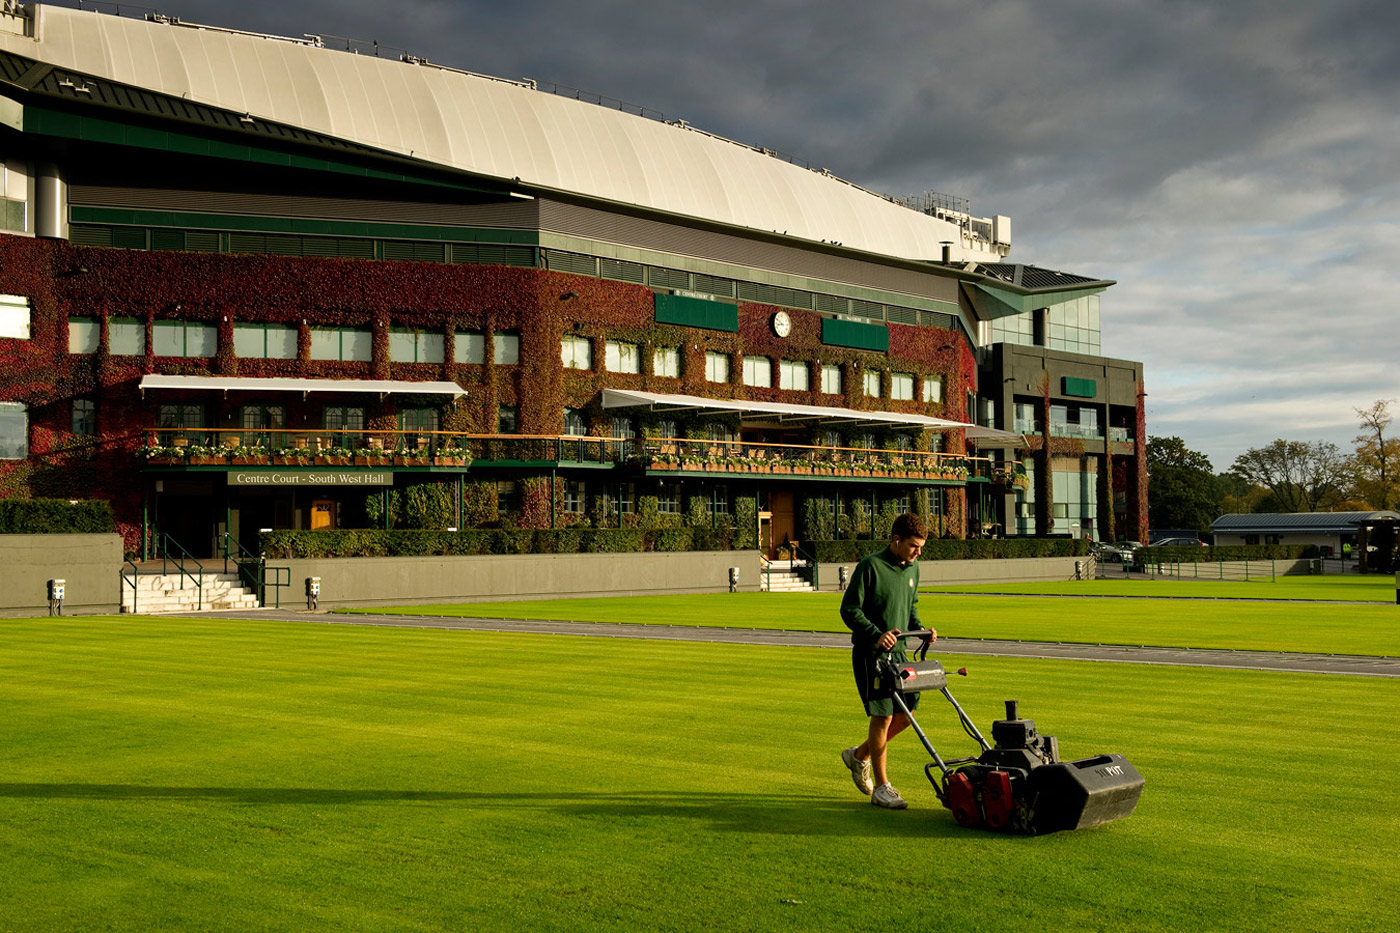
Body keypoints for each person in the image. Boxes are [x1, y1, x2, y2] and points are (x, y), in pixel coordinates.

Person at [839, 512, 934, 809]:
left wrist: (922, 630)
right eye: (913, 546)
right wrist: (876, 634)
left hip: (901, 653)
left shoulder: (913, 569)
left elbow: (910, 606)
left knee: (907, 715)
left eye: (920, 547)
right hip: (873, 654)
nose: (918, 553)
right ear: (895, 540)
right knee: (883, 716)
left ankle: (858, 756)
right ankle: (882, 787)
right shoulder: (871, 566)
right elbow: (849, 610)